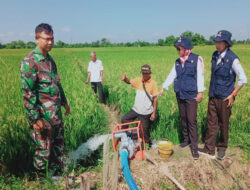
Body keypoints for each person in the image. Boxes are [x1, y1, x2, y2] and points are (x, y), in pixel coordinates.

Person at [20, 23, 70, 174]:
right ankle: (42, 182)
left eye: (52, 39)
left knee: (58, 147)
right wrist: (35, 119)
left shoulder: (50, 60)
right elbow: (28, 93)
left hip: (56, 115)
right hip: (43, 117)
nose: (50, 42)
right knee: (42, 151)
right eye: (46, 39)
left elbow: (56, 83)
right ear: (37, 38)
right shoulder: (30, 61)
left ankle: (56, 178)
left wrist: (65, 103)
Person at [198, 30, 247, 160]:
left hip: (225, 97)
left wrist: (233, 94)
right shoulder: (215, 55)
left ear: (226, 43)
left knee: (223, 123)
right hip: (213, 95)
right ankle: (209, 149)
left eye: (220, 42)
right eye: (216, 41)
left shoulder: (233, 59)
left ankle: (222, 148)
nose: (217, 44)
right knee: (211, 122)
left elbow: (243, 79)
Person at [159, 36, 205, 160]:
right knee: (183, 118)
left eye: (179, 48)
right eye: (177, 49)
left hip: (191, 95)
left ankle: (194, 148)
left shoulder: (196, 59)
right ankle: (186, 140)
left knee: (191, 120)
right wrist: (163, 87)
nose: (178, 51)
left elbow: (200, 77)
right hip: (180, 94)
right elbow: (172, 75)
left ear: (186, 48)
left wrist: (200, 93)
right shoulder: (178, 61)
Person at [121, 64, 158, 145]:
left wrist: (154, 113)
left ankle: (148, 146)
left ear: (150, 73)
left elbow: (155, 99)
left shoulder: (153, 83)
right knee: (124, 119)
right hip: (136, 109)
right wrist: (125, 79)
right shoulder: (138, 80)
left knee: (145, 133)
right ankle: (124, 137)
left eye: (146, 73)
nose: (144, 75)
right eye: (143, 73)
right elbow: (129, 81)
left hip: (146, 112)